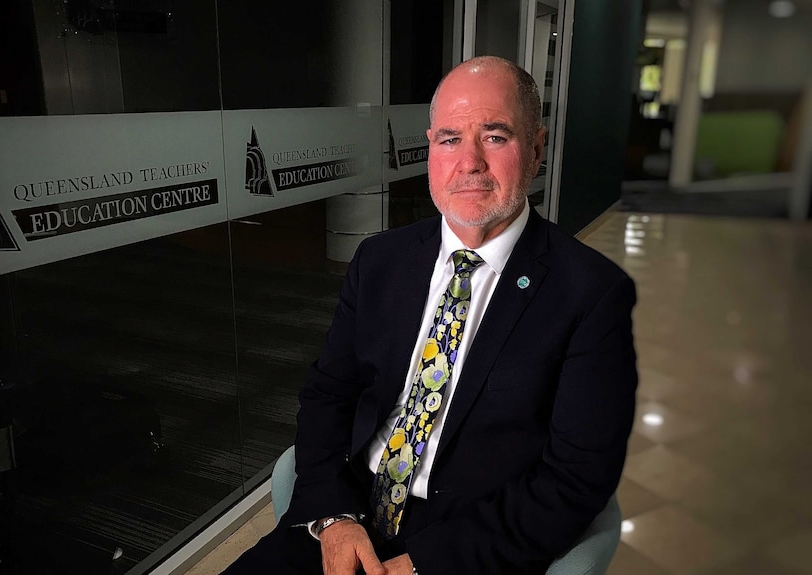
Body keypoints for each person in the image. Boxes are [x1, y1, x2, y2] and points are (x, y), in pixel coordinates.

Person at [224, 55, 637, 575]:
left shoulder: (592, 294)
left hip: (469, 545)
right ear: (429, 151)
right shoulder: (380, 259)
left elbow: (576, 478)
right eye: (448, 139)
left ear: (535, 148)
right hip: (349, 515)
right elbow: (329, 394)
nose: (468, 163)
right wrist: (333, 519)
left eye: (494, 136)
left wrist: (424, 563)